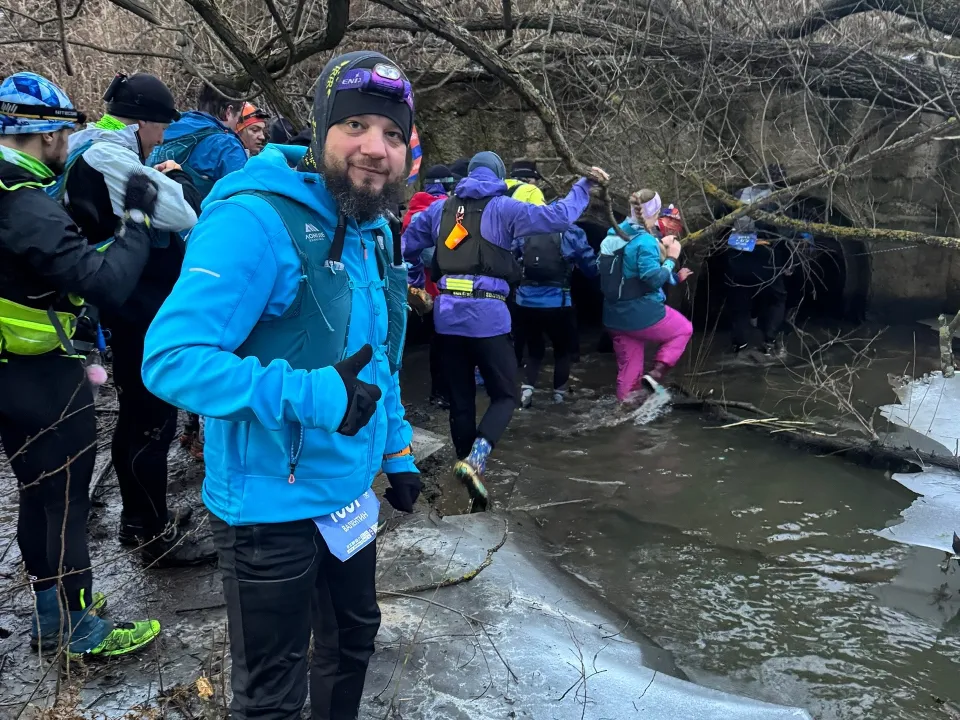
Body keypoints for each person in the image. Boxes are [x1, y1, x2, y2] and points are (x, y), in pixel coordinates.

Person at [142, 51, 421, 720]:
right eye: (355, 125)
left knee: (353, 644)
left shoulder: (369, 227)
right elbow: (171, 358)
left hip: (347, 499)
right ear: (322, 129)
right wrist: (315, 394)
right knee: (270, 697)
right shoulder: (255, 219)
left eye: (391, 133)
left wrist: (396, 450)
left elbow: (375, 356)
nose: (375, 148)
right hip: (268, 510)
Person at [0, 71, 161, 657]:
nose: (71, 141)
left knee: (35, 491)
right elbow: (108, 283)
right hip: (44, 374)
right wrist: (137, 222)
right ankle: (80, 629)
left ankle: (49, 620)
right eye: (65, 131)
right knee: (63, 498)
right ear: (45, 135)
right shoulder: (24, 205)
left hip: (8, 373)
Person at [61, 72, 214, 567]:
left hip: (128, 307)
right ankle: (151, 533)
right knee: (151, 421)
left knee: (141, 418)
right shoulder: (109, 154)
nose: (163, 136)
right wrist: (175, 180)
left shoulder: (91, 145)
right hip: (136, 310)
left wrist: (155, 173)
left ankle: (143, 519)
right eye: (161, 126)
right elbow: (180, 213)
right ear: (144, 121)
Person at [403, 150, 608, 509]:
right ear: (498, 176)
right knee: (505, 396)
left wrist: (414, 279)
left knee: (461, 403)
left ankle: (470, 478)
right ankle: (476, 460)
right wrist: (584, 184)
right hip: (488, 316)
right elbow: (558, 217)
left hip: (447, 315)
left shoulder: (440, 209)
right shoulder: (504, 208)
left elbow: (406, 244)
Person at [600, 189, 693, 405]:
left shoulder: (611, 235)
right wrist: (671, 258)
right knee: (683, 329)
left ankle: (624, 412)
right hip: (640, 312)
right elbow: (652, 279)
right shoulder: (645, 241)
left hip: (613, 315)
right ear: (656, 212)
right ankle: (656, 375)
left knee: (629, 369)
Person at [516, 221, 598, 408]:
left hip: (526, 302)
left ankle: (527, 390)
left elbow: (513, 257)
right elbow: (590, 267)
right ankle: (558, 398)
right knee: (562, 351)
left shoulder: (528, 228)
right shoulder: (572, 232)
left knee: (534, 350)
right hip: (558, 303)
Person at [402, 164, 456, 408]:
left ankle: (438, 393)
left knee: (433, 342)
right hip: (441, 289)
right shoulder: (446, 211)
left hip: (418, 290)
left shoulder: (412, 210)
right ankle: (443, 393)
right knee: (445, 342)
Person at [725, 165, 793, 359]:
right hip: (764, 255)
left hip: (737, 254)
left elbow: (722, 215)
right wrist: (788, 263)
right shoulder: (778, 199)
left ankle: (739, 345)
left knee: (739, 301)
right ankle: (769, 342)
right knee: (776, 299)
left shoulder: (740, 193)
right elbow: (784, 235)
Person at [147, 82, 247, 200]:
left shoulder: (165, 127)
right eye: (239, 118)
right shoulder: (227, 146)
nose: (237, 125)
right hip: (196, 216)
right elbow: (243, 199)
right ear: (228, 111)